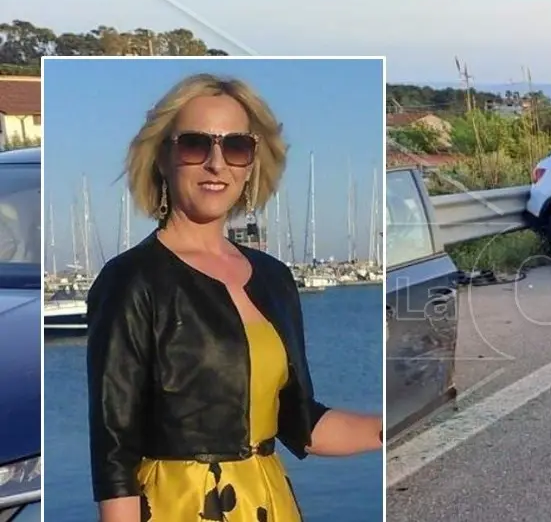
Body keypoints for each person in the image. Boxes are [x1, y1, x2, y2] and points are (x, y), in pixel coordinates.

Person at [87, 73, 384, 522]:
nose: (216, 163)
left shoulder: (274, 277)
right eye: (194, 145)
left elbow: (300, 423)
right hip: (178, 507)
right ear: (162, 157)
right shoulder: (130, 280)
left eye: (236, 147)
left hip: (269, 501)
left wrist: (390, 427)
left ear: (252, 163)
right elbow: (114, 447)